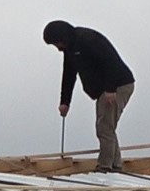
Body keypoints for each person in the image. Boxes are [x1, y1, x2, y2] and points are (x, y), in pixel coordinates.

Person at [43, 19, 136, 172]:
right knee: (107, 126)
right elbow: (69, 75)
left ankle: (105, 167)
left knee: (105, 127)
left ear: (62, 38)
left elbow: (109, 60)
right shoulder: (70, 49)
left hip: (118, 85)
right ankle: (115, 164)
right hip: (105, 89)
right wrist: (65, 101)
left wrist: (111, 89)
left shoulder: (87, 39)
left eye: (56, 43)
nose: (57, 48)